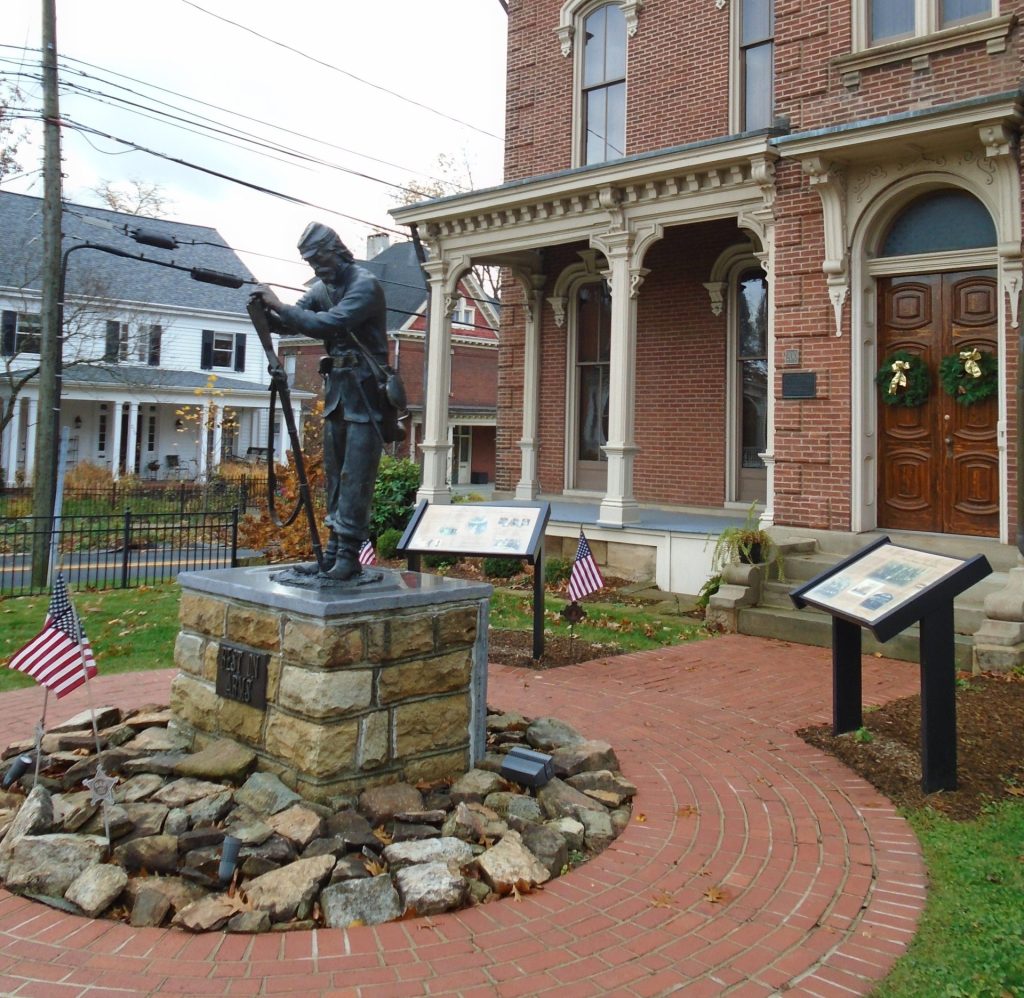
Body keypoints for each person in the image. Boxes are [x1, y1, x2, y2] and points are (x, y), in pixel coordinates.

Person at [256, 222, 388, 581]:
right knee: (334, 476)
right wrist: (266, 312)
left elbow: (329, 323)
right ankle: (332, 553)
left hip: (367, 396)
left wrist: (279, 305)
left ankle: (349, 555)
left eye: (318, 258)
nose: (315, 267)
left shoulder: (365, 285)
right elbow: (294, 323)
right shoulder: (320, 289)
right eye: (309, 262)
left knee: (355, 476)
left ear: (336, 250)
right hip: (338, 394)